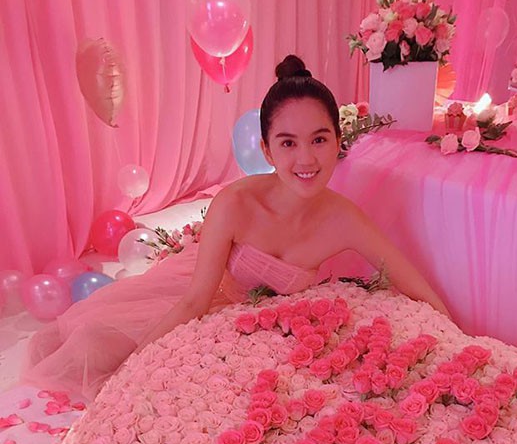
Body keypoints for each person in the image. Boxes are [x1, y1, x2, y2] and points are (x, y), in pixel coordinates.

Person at [23, 55, 449, 399]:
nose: (306, 159)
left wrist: (453, 338)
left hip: (266, 332)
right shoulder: (236, 203)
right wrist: (133, 369)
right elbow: (194, 302)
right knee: (102, 352)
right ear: (267, 149)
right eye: (288, 143)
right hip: (201, 301)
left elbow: (412, 282)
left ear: (339, 142)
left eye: (319, 140)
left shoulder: (344, 218)